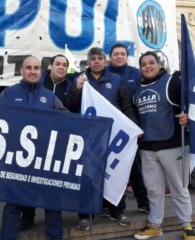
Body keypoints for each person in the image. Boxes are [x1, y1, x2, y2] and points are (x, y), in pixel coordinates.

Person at [68, 47, 137, 230]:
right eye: (93, 59)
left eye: (100, 58)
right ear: (88, 62)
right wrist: (77, 89)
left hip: (112, 135)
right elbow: (71, 106)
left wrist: (134, 127)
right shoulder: (80, 79)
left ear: (105, 62)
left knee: (115, 172)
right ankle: (85, 215)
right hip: (87, 137)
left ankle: (117, 211)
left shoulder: (115, 79)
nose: (97, 61)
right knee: (86, 176)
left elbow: (125, 106)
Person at [0, 56, 64, 240]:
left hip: (45, 161)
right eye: (29, 68)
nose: (33, 71)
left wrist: (87, 127)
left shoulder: (50, 96)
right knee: (12, 205)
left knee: (52, 203)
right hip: (17, 160)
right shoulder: (9, 94)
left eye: (36, 67)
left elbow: (66, 120)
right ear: (22, 71)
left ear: (40, 70)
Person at [133, 51, 195, 240]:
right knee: (153, 190)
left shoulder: (172, 82)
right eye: (144, 64)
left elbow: (191, 101)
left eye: (151, 62)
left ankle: (186, 225)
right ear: (140, 68)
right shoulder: (137, 91)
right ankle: (155, 225)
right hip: (147, 149)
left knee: (179, 187)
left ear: (159, 65)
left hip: (173, 145)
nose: (148, 66)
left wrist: (188, 117)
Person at [18, 54, 77, 231]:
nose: (60, 67)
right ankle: (27, 217)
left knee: (51, 187)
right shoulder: (34, 83)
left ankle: (54, 227)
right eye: (57, 64)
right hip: (26, 146)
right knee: (26, 184)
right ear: (49, 66)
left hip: (51, 146)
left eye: (64, 65)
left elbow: (66, 112)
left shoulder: (68, 86)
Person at [107, 43, 149, 214]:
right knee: (111, 169)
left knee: (135, 167)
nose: (119, 56)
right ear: (110, 57)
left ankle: (143, 202)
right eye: (116, 54)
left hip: (133, 128)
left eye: (122, 54)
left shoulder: (135, 73)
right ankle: (110, 205)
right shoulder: (104, 73)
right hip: (111, 130)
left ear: (126, 56)